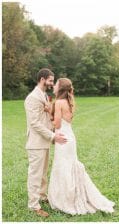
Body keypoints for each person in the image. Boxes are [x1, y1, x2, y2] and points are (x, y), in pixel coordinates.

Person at [48, 78, 115, 215]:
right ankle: (74, 195)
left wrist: (50, 112)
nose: (53, 86)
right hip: (70, 137)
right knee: (70, 165)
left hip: (63, 139)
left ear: (60, 88)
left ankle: (65, 199)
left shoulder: (59, 102)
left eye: (56, 84)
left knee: (63, 166)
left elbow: (57, 125)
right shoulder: (68, 102)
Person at [24, 68, 67, 217]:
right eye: (50, 80)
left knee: (43, 173)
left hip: (45, 141)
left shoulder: (43, 95)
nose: (52, 83)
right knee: (35, 174)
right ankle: (34, 205)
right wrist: (53, 136)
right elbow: (35, 123)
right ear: (42, 79)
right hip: (36, 143)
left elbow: (45, 119)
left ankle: (42, 196)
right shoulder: (32, 98)